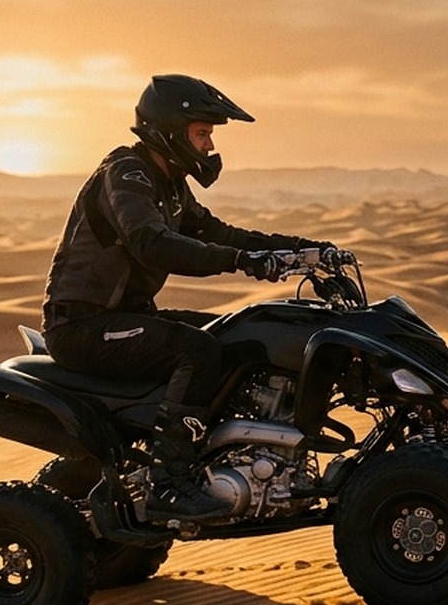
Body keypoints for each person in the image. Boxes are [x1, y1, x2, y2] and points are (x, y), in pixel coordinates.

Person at [41, 74, 334, 520]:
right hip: (83, 325)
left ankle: (228, 458)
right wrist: (240, 261)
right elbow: (151, 243)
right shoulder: (127, 174)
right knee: (197, 350)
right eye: (202, 133)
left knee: (235, 335)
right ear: (171, 131)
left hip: (130, 318)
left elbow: (218, 233)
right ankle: (169, 482)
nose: (209, 146)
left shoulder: (171, 186)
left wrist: (300, 249)